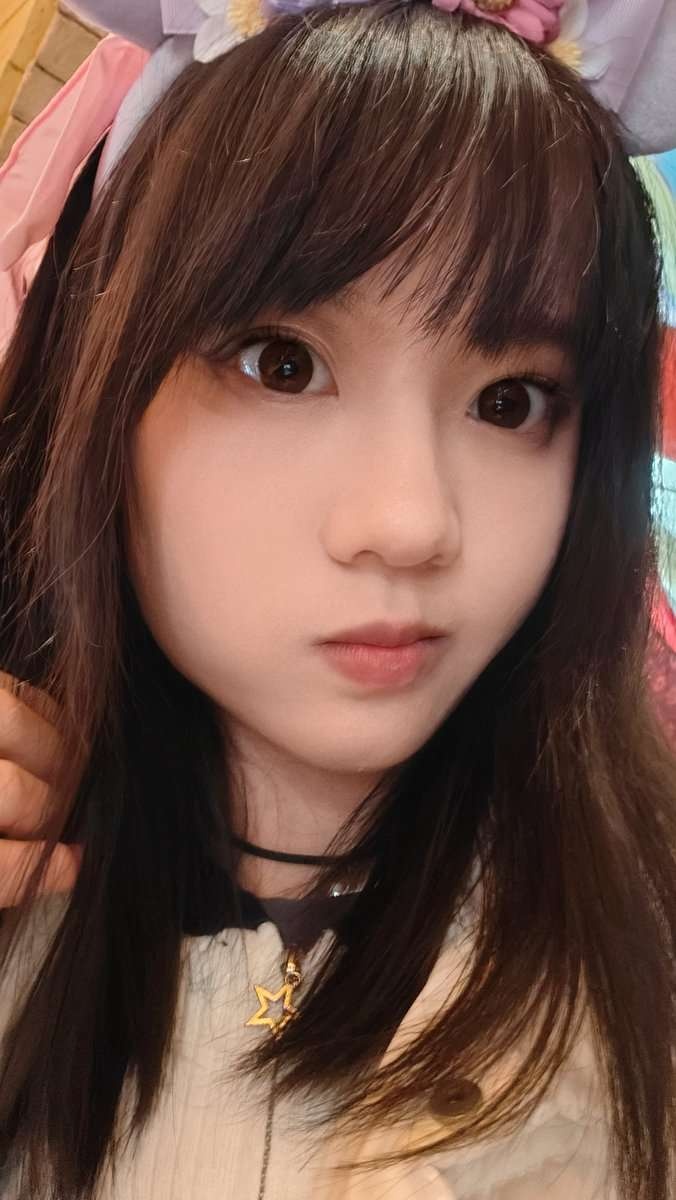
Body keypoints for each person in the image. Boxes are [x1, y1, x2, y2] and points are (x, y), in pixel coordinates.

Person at [0, 1, 674, 1197]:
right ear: (100, 377)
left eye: (511, 401)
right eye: (283, 364)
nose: (410, 524)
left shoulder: (640, 953)